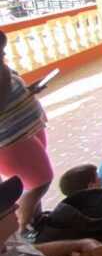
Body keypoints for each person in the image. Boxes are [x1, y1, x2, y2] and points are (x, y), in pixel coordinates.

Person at [0, 176, 102, 256]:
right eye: (5, 208)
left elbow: (28, 249)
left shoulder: (6, 240)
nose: (16, 206)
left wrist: (82, 243)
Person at [0, 30, 53, 231]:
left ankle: (35, 221)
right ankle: (21, 228)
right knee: (41, 181)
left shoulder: (3, 67)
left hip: (27, 129)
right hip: (11, 139)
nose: (4, 54)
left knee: (34, 180)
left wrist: (28, 90)